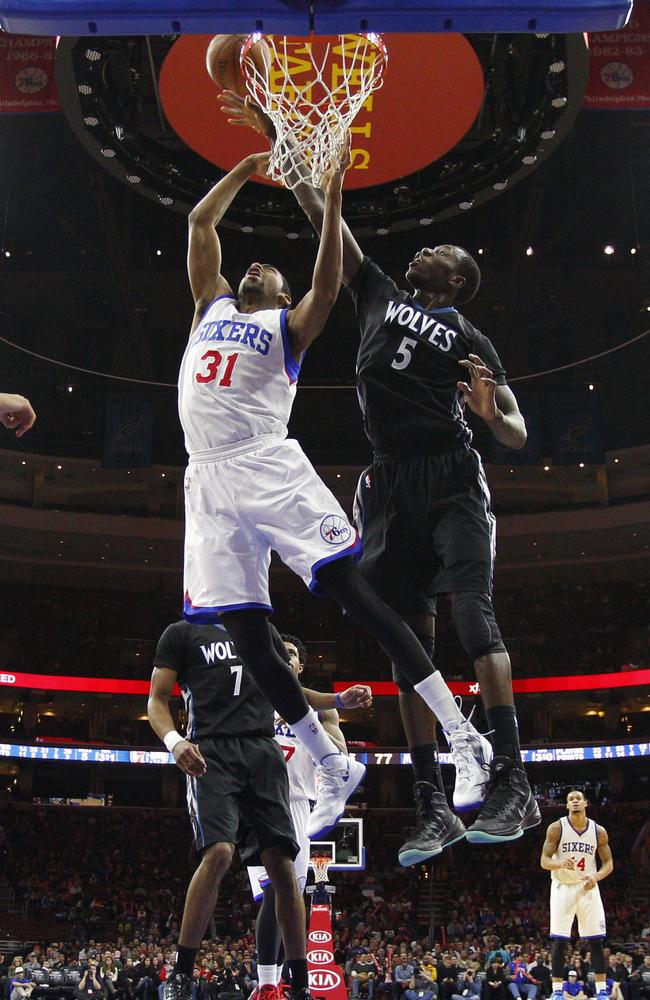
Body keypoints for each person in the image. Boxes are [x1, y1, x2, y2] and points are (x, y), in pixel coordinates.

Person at [218, 90, 539, 860]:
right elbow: (314, 207)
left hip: (451, 475)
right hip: (388, 482)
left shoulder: (467, 335)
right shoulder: (379, 295)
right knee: (406, 644)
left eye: (443, 254)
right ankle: (432, 800)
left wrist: (492, 414)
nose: (425, 250)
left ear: (456, 281)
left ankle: (515, 781)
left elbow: (520, 432)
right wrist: (273, 131)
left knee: (473, 619)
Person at [179, 133, 478, 859]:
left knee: (358, 595)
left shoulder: (290, 325)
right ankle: (333, 761)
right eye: (253, 266)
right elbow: (199, 225)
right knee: (246, 632)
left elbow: (333, 275)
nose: (255, 266)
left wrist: (334, 189)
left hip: (267, 468)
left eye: (271, 270)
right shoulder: (207, 306)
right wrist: (245, 167)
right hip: (206, 478)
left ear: (284, 296)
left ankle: (463, 735)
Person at [148, 619, 308, 1000]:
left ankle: (299, 984)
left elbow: (291, 692)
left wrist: (336, 704)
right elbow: (156, 699)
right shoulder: (181, 632)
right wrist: (174, 741)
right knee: (219, 852)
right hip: (211, 749)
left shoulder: (263, 629)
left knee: (283, 867)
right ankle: (182, 974)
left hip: (262, 750)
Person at [247, 632, 372, 1000]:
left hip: (298, 803)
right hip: (258, 799)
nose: (284, 659)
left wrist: (306, 723)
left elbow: (337, 756)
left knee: (285, 893)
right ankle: (271, 983)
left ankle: (275, 983)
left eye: (290, 655)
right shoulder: (254, 698)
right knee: (274, 894)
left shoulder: (321, 708)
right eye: (277, 653)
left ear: (301, 665)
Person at [540, 790, 613, 1000]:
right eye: (570, 799)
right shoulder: (556, 828)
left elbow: (608, 863)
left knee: (596, 940)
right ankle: (557, 991)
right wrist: (559, 862)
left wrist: (596, 877)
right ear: (566, 805)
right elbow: (544, 861)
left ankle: (601, 991)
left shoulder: (598, 831)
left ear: (585, 803)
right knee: (560, 941)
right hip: (562, 886)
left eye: (578, 799)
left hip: (587, 886)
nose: (574, 802)